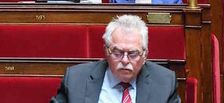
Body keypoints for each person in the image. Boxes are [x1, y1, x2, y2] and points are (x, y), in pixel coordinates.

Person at [50, 14, 180, 102]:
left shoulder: (164, 83)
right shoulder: (75, 79)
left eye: (133, 54)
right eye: (117, 53)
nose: (124, 60)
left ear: (145, 55)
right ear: (106, 51)